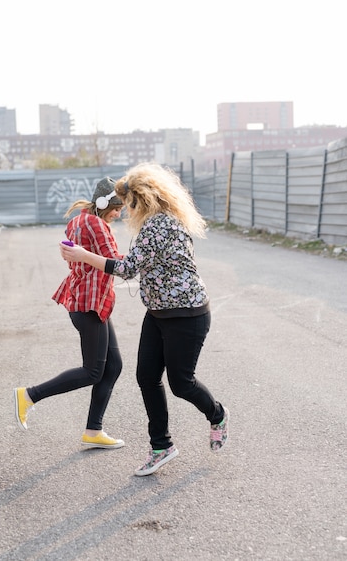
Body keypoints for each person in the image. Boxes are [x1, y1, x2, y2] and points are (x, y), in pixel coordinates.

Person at [60, 162, 229, 476]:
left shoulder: (159, 225)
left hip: (186, 314)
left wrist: (84, 255)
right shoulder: (156, 222)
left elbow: (127, 269)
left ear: (142, 199)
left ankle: (217, 414)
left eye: (129, 204)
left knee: (181, 384)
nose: (125, 211)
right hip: (158, 313)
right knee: (146, 377)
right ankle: (161, 446)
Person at [14, 177, 125, 449]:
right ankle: (29, 395)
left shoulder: (78, 220)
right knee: (92, 370)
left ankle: (93, 431)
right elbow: (113, 262)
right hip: (89, 302)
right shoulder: (97, 224)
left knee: (113, 366)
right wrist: (144, 259)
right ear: (103, 203)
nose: (118, 214)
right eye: (116, 208)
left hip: (87, 300)